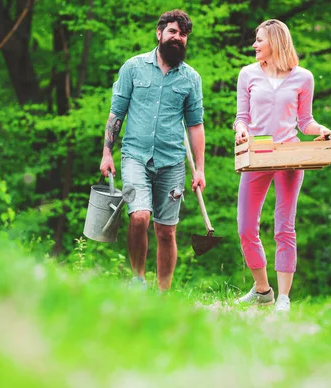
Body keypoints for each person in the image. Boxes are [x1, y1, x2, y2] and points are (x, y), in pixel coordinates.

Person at [99, 10, 206, 291]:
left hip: (172, 162)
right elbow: (116, 114)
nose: (178, 38)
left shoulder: (191, 79)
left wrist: (201, 168)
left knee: (166, 230)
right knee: (139, 217)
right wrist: (107, 153)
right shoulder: (133, 68)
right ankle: (138, 279)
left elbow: (195, 125)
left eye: (183, 35)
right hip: (135, 156)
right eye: (173, 32)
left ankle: (163, 293)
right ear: (159, 33)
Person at [233, 19, 331, 311]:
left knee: (284, 226)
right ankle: (262, 289)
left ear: (276, 42)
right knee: (245, 227)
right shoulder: (248, 74)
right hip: (259, 152)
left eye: (260, 40)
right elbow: (242, 116)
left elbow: (305, 121)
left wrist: (321, 131)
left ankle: (283, 298)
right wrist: (241, 130)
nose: (254, 45)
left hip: (290, 155)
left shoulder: (303, 77)